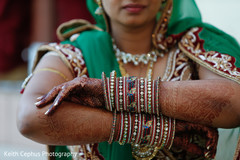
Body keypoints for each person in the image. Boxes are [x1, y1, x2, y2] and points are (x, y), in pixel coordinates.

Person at [17, 0, 240, 160]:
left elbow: (234, 103)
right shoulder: (73, 54)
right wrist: (152, 129)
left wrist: (109, 92)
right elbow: (31, 117)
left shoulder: (197, 43)